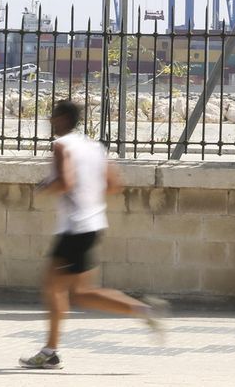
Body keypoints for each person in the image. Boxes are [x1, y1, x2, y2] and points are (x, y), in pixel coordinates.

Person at [19, 100, 167, 370]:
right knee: (81, 293)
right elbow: (114, 185)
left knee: (53, 287)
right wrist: (87, 198)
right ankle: (142, 310)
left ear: (63, 119)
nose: (50, 121)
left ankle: (50, 351)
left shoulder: (62, 146)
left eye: (54, 116)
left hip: (73, 228)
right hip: (93, 224)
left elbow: (66, 182)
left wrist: (46, 187)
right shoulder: (94, 147)